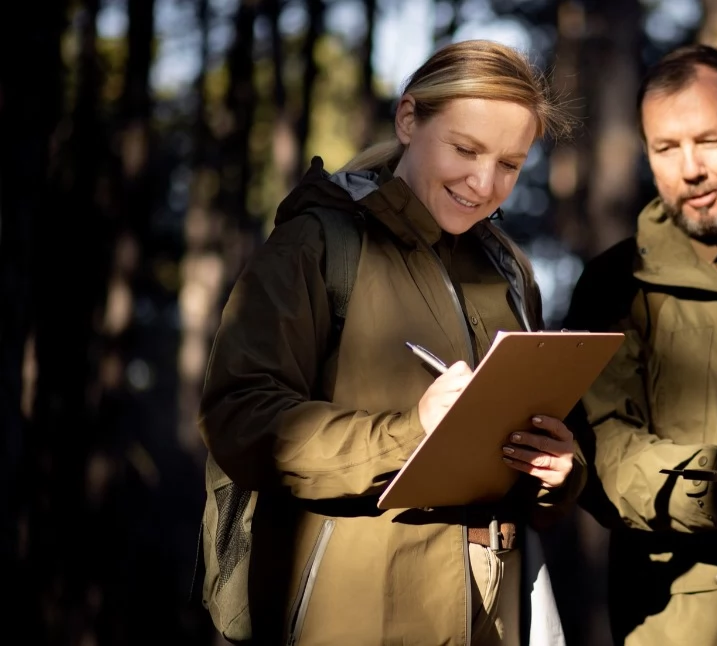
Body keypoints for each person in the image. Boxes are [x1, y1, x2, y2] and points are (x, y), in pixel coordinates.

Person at [198, 39, 581, 646]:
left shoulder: (510, 270)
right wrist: (410, 432)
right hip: (352, 614)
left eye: (510, 163)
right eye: (465, 149)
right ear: (409, 119)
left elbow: (525, 451)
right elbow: (238, 418)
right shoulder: (317, 245)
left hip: (499, 614)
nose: (484, 183)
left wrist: (557, 470)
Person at [563, 44, 717, 646]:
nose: (690, 169)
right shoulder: (614, 283)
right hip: (679, 625)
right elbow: (601, 455)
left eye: (710, 141)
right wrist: (716, 484)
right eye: (665, 148)